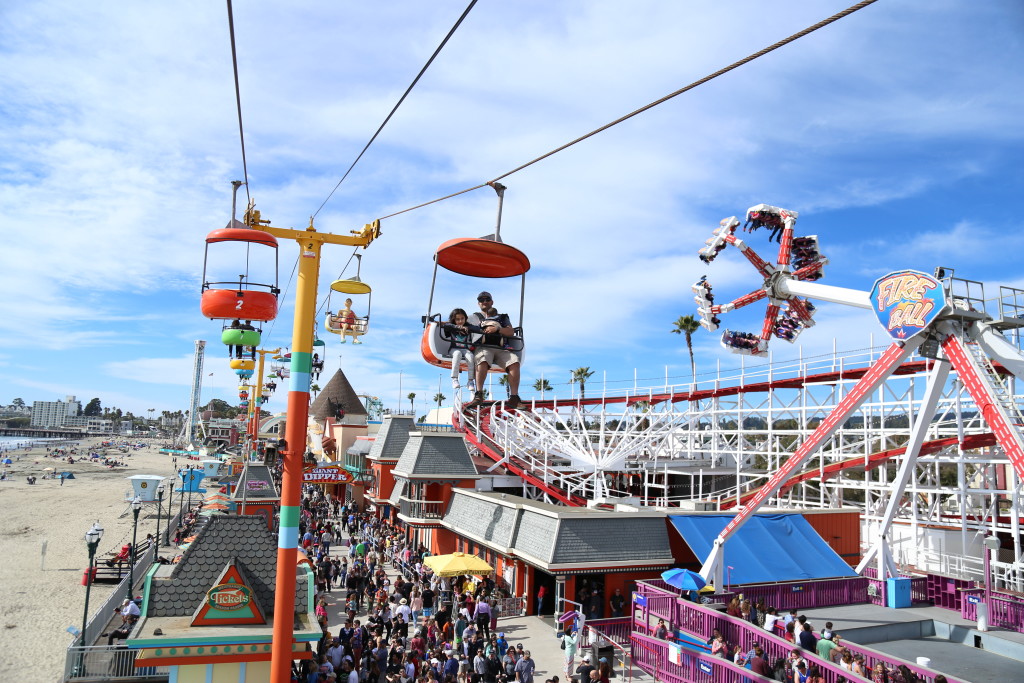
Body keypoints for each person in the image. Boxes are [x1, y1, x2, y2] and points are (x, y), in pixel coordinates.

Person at [466, 292, 522, 409]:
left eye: (487, 299)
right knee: (483, 359)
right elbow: (457, 322)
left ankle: (514, 397)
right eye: (481, 300)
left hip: (501, 347)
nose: (484, 302)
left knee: (514, 362)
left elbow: (510, 332)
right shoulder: (472, 318)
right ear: (478, 303)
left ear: (492, 302)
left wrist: (497, 329)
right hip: (483, 346)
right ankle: (479, 394)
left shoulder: (502, 317)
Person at [444, 308, 479, 391]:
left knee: (470, 356)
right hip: (454, 349)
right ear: (454, 320)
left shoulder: (468, 326)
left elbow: (477, 329)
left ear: (465, 318)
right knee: (457, 354)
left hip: (465, 349)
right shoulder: (452, 327)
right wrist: (458, 327)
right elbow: (446, 326)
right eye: (457, 319)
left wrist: (467, 328)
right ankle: (454, 378)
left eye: (462, 318)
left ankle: (470, 381)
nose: (460, 321)